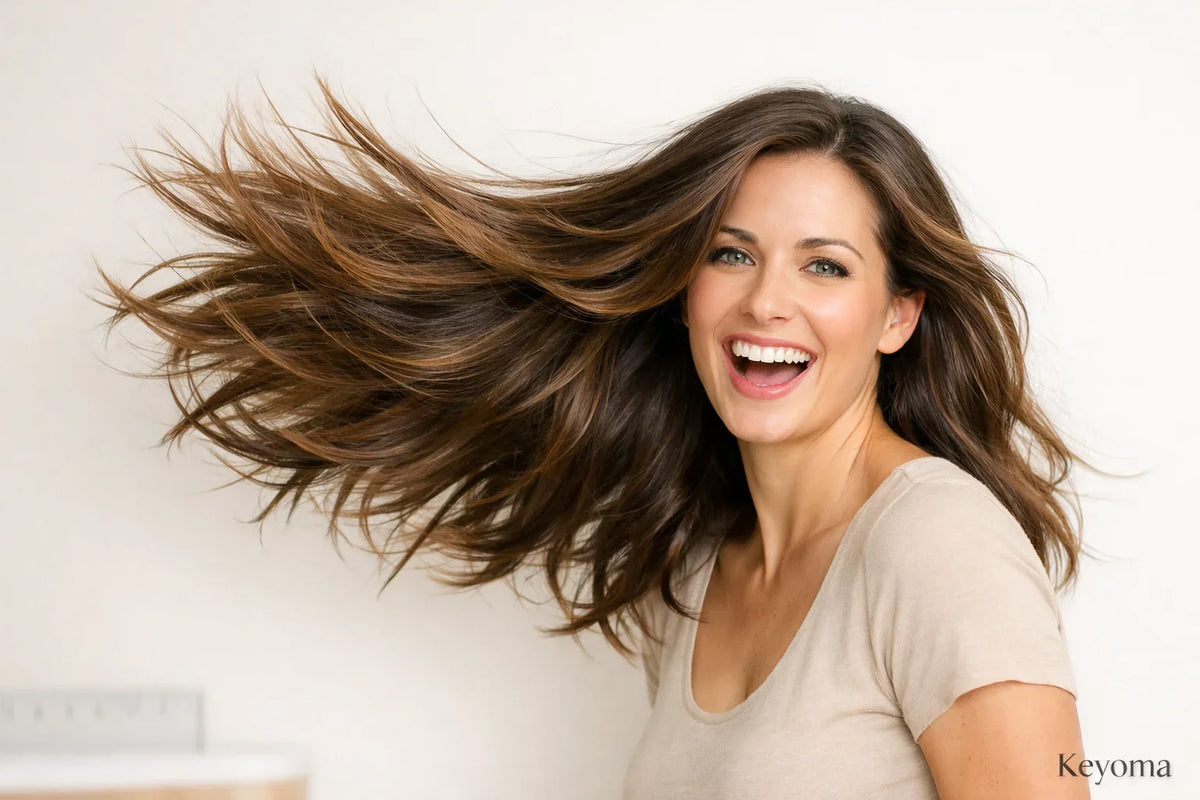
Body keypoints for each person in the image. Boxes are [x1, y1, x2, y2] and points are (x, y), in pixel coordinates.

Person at [92, 75, 1109, 798]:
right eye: (731, 252)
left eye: (825, 267)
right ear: (683, 288)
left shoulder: (936, 544)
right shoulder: (710, 563)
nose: (767, 302)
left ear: (899, 315)